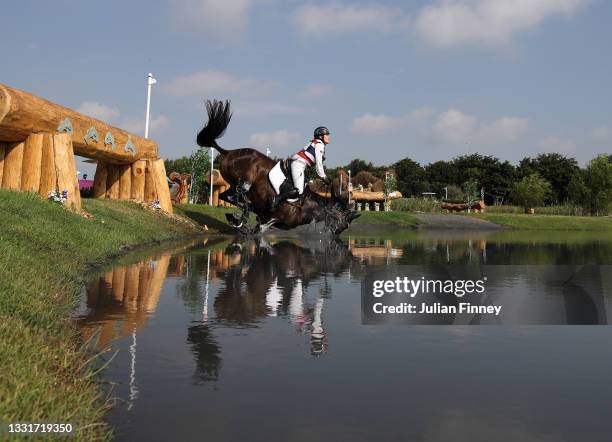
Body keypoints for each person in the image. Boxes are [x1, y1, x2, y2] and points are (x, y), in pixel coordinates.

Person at [272, 126, 331, 208]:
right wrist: (323, 177)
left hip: (297, 163)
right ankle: (277, 199)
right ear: (321, 136)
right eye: (327, 134)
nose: (329, 137)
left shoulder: (313, 142)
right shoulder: (319, 144)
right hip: (299, 164)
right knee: (299, 190)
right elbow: (319, 162)